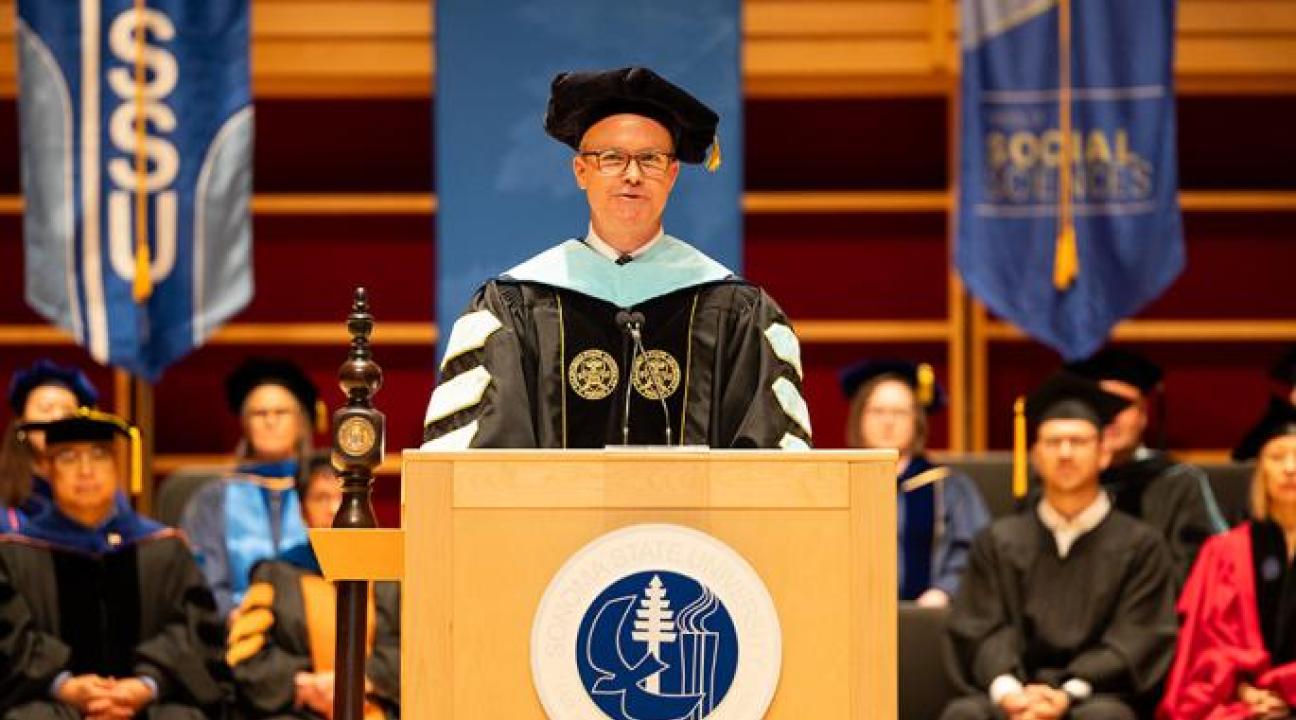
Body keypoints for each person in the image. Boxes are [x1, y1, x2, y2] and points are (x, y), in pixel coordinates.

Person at [421, 66, 810, 451]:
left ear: (672, 174)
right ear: (581, 171)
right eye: (611, 158)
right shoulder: (513, 307)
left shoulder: (736, 310)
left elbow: (772, 464)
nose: (632, 175)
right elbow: (476, 463)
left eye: (651, 158)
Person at [941, 373, 1179, 720]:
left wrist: (1068, 691)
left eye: (1078, 441)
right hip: (1012, 695)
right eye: (1053, 442)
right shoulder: (998, 541)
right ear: (1035, 455)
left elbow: (1138, 637)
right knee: (964, 715)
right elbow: (978, 628)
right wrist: (1011, 694)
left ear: (1103, 453)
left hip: (1094, 696)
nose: (1065, 453)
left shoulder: (1141, 546)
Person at [0, 410, 228, 718]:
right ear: (46, 468)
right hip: (50, 701)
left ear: (117, 466)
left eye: (99, 455)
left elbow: (193, 633)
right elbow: (9, 639)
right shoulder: (16, 553)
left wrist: (146, 685)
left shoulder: (163, 547)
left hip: (150, 702)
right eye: (68, 457)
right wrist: (64, 686)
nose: (86, 470)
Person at [227, 452, 399, 719]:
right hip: (299, 710)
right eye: (321, 498)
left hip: (376, 705)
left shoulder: (391, 575)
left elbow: (414, 653)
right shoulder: (275, 575)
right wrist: (305, 685)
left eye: (345, 496)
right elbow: (247, 657)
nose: (334, 509)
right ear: (302, 510)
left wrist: (362, 681)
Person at [1159, 397, 1296, 720]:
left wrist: (1285, 690)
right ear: (1260, 469)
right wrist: (1244, 691)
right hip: (1240, 703)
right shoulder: (1225, 552)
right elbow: (1206, 644)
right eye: (1277, 457)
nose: (1290, 468)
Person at [1065, 347, 1226, 584]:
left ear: (1143, 415)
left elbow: (1205, 571)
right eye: (1101, 403)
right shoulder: (1063, 483)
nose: (1111, 416)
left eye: (1123, 405)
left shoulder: (1180, 483)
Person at [181, 357, 320, 620]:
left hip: (313, 631)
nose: (270, 421)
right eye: (259, 413)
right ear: (244, 423)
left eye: (281, 412)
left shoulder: (324, 491)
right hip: (233, 634)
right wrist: (233, 618)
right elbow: (203, 577)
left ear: (301, 422)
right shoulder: (212, 499)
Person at [841, 359, 989, 606]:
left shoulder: (948, 486)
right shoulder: (835, 484)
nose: (888, 421)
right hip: (848, 620)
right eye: (877, 411)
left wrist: (943, 591)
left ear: (917, 420)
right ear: (859, 417)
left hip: (929, 623)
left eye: (900, 412)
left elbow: (976, 551)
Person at [0, 360, 101, 530]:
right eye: (46, 408)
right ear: (21, 423)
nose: (57, 418)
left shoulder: (96, 484)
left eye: (68, 411)